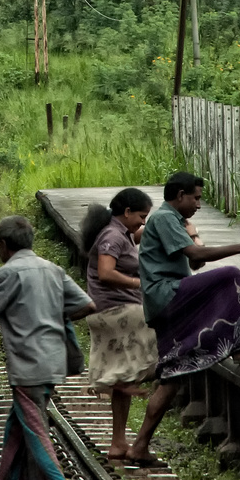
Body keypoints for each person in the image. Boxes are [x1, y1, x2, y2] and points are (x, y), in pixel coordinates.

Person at [127, 172, 240, 465]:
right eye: (195, 197)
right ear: (179, 195)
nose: (198, 203)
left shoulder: (172, 221)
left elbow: (195, 260)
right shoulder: (165, 218)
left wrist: (193, 234)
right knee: (230, 276)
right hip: (167, 294)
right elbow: (196, 254)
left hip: (165, 300)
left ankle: (139, 445)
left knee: (173, 372)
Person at [0, 215, 96, 480]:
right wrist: (56, 319)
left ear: (2, 245)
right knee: (17, 432)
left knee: (37, 435)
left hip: (28, 368)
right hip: (52, 363)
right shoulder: (51, 269)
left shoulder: (8, 274)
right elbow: (87, 305)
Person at [78, 188, 157, 461]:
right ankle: (122, 381)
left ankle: (118, 442)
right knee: (165, 340)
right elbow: (105, 272)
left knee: (125, 372)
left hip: (117, 309)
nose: (142, 222)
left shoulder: (119, 232)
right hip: (117, 312)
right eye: (141, 217)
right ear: (126, 213)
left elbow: (136, 236)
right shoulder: (112, 235)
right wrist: (139, 283)